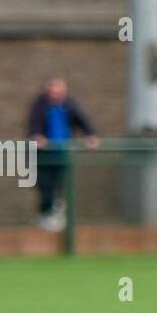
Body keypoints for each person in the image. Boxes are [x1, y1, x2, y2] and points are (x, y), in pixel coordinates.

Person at [27, 77, 99, 231]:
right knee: (45, 186)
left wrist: (91, 135)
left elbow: (82, 121)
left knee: (60, 187)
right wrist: (37, 136)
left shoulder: (69, 105)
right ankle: (45, 215)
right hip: (43, 155)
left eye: (59, 91)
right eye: (53, 91)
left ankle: (56, 216)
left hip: (62, 154)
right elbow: (34, 125)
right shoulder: (39, 105)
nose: (56, 95)